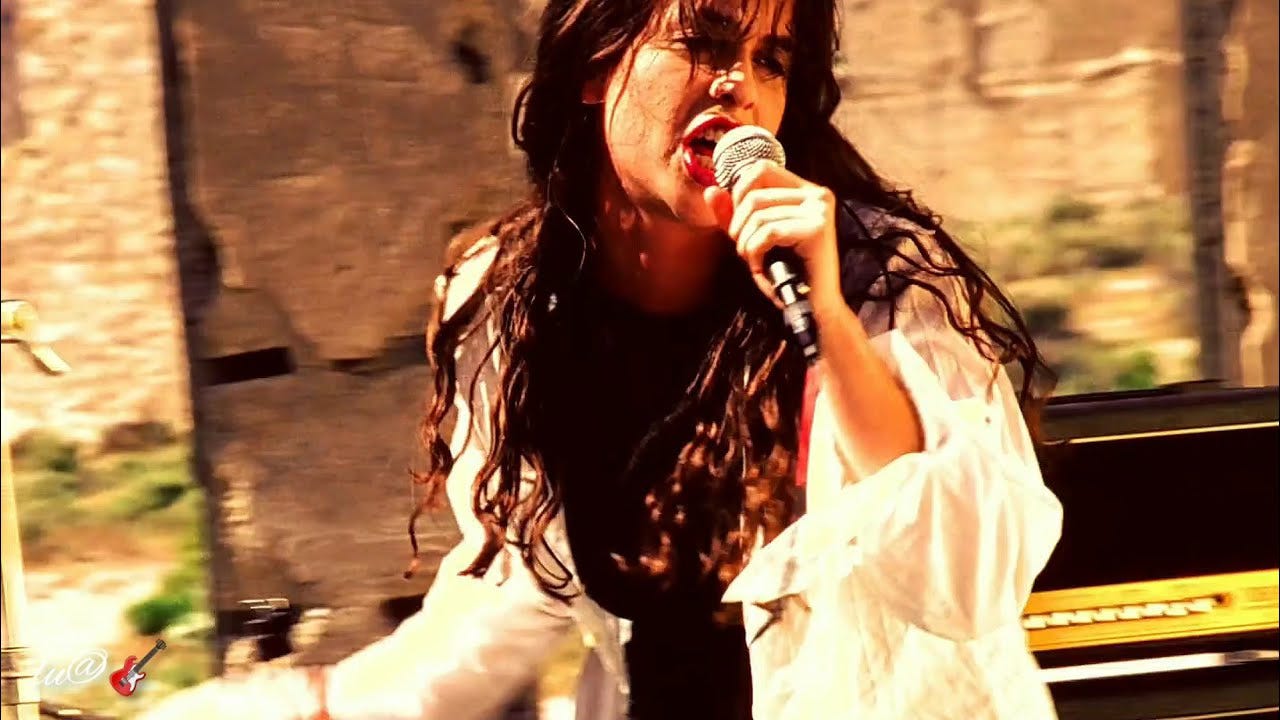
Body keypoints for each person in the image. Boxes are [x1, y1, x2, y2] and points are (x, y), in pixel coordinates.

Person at [140, 0, 1064, 718]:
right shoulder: (511, 306)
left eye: (770, 60)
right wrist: (301, 703)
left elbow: (967, 581)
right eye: (704, 43)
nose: (739, 86)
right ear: (595, 64)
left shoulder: (876, 279)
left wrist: (824, 320)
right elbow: (511, 601)